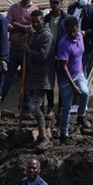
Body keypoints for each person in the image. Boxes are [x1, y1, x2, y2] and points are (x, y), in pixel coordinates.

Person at [56, 16, 91, 143]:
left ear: (77, 28)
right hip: (66, 79)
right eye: (69, 31)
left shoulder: (80, 36)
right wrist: (73, 86)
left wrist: (81, 73)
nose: (72, 33)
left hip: (79, 73)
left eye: (74, 31)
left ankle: (81, 116)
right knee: (66, 107)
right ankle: (63, 134)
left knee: (85, 93)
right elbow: (64, 67)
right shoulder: (63, 43)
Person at [5, 0, 38, 108]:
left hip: (26, 50)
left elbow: (32, 29)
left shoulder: (34, 9)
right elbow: (7, 24)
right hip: (13, 48)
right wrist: (22, 28)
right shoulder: (13, 8)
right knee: (7, 78)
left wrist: (17, 26)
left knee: (27, 79)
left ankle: (26, 107)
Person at [25, 10, 55, 143]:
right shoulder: (37, 34)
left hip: (42, 77)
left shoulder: (46, 36)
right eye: (33, 22)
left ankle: (43, 136)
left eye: (37, 21)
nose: (35, 24)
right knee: (38, 108)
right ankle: (43, 134)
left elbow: (43, 56)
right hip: (34, 76)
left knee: (35, 107)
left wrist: (28, 50)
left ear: (43, 20)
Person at [65, 0, 93, 70]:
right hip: (71, 42)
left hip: (85, 44)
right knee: (70, 67)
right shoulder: (72, 8)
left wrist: (86, 32)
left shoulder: (92, 11)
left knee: (82, 68)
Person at [43, 0, 64, 118]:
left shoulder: (66, 19)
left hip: (62, 54)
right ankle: (50, 107)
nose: (55, 5)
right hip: (49, 54)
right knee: (49, 83)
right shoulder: (45, 19)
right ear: (50, 4)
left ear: (61, 4)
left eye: (57, 3)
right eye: (53, 2)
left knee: (61, 82)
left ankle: (61, 107)